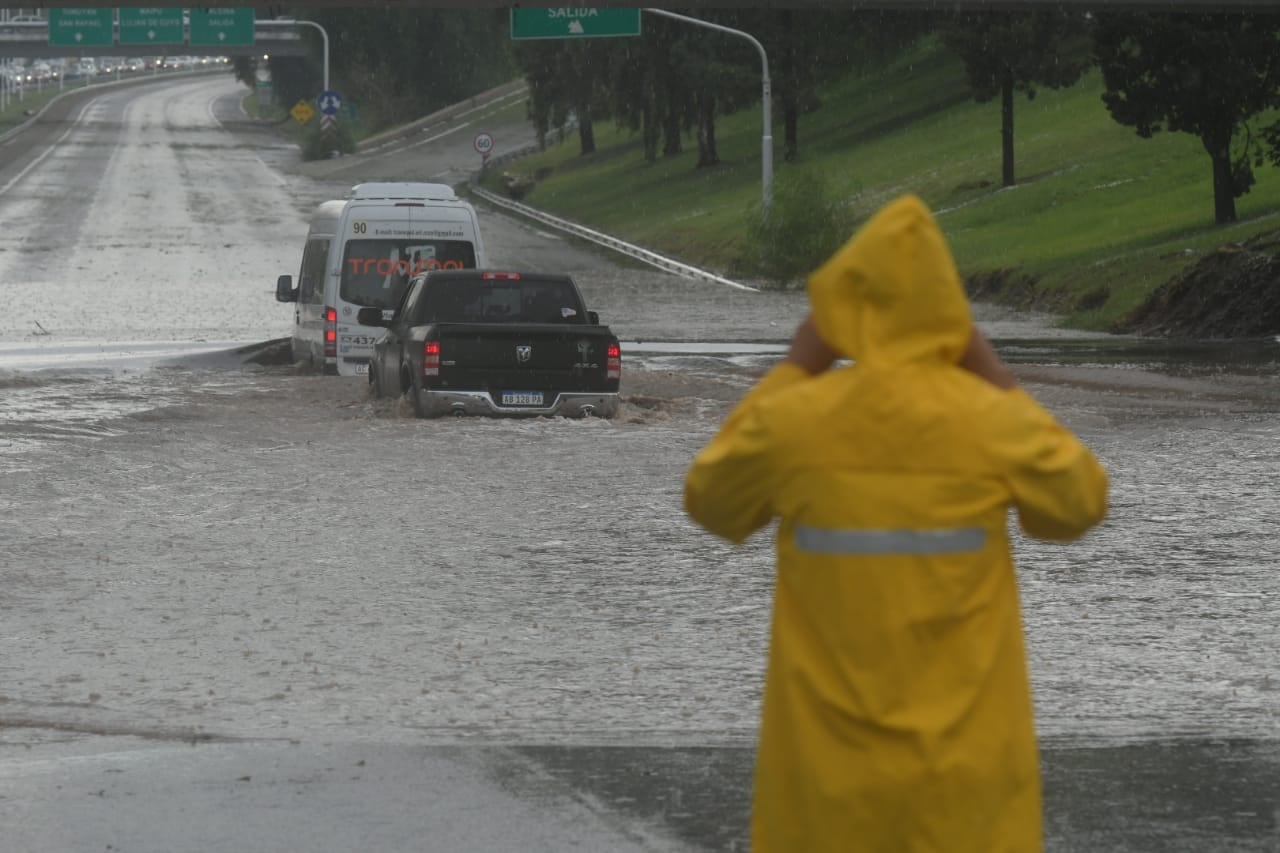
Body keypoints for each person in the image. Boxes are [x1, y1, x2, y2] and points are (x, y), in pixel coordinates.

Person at [683, 194, 1109, 853]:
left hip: (825, 805)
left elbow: (711, 498)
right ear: (950, 312)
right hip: (967, 806)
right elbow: (1079, 501)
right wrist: (991, 372)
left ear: (845, 305)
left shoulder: (796, 422)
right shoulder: (986, 421)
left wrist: (797, 365)